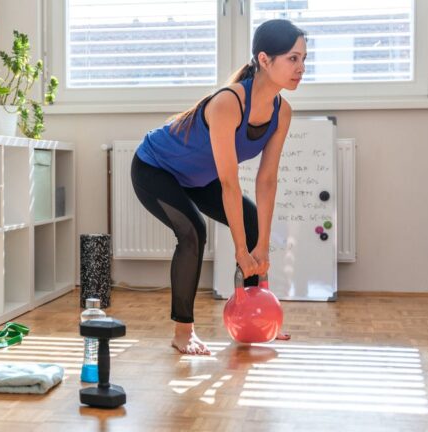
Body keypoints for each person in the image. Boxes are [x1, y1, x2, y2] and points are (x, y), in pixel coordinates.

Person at [131, 19, 306, 355]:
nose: (301, 68)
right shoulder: (229, 102)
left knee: (253, 221)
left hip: (198, 177)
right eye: (293, 59)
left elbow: (266, 179)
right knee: (193, 230)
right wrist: (241, 251)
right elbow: (228, 183)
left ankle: (255, 319)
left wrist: (261, 247)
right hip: (155, 167)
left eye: (303, 59)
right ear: (265, 59)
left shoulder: (282, 111)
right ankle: (183, 331)